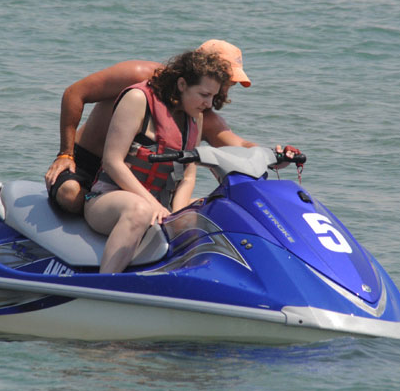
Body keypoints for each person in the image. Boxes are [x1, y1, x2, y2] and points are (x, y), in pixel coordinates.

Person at [44, 40, 258, 214]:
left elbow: (239, 145)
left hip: (132, 183)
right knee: (72, 196)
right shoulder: (140, 77)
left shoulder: (199, 113)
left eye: (228, 85)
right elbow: (74, 93)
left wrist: (277, 155)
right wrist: (65, 154)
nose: (223, 91)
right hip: (85, 163)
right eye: (224, 80)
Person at [83, 50, 233, 273]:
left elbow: (188, 176)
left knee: (222, 210)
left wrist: (178, 214)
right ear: (182, 84)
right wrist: (152, 204)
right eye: (203, 94)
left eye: (213, 97)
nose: (208, 103)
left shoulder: (196, 117)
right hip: (109, 199)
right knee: (140, 210)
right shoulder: (137, 99)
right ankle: (105, 284)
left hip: (162, 203)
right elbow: (112, 161)